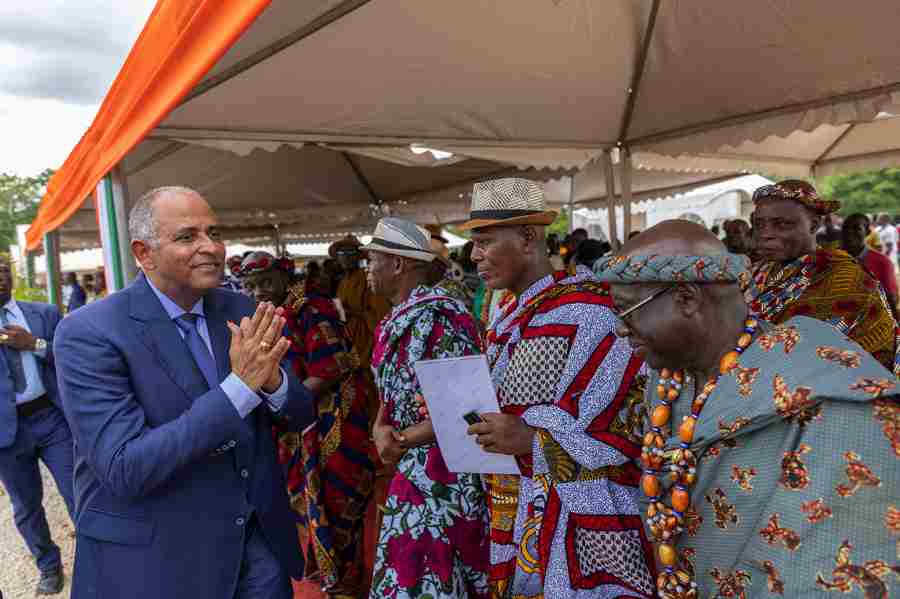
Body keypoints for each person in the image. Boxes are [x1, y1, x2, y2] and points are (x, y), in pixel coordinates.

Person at [594, 219, 900, 598]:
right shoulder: (669, 380)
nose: (620, 328)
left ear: (687, 299)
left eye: (627, 310)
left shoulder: (836, 402)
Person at [53, 186, 316, 599]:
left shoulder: (241, 310)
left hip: (256, 552)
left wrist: (273, 383)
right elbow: (125, 467)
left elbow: (301, 413)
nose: (210, 247)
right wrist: (239, 389)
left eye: (214, 232)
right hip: (159, 561)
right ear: (144, 253)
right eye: (187, 236)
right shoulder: (89, 332)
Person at [460, 179, 654, 599]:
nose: (474, 255)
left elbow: (627, 420)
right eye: (474, 243)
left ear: (529, 238)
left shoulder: (591, 311)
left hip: (579, 528)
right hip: (518, 508)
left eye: (485, 241)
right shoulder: (509, 315)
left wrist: (534, 440)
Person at [364, 217, 489, 599]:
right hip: (412, 467)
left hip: (442, 476)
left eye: (372, 261)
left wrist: (400, 439)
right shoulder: (398, 317)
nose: (368, 270)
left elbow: (468, 409)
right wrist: (380, 428)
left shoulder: (443, 318)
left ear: (397, 264)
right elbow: (390, 394)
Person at [238, 250, 374, 598]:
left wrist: (281, 402)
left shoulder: (312, 309)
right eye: (250, 286)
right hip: (296, 423)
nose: (258, 291)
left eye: (266, 282)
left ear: (285, 276)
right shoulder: (265, 316)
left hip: (333, 422)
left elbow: (329, 369)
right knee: (308, 502)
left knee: (338, 500)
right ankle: (331, 578)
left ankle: (347, 583)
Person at [747, 180, 899, 373]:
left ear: (814, 225)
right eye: (759, 224)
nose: (765, 234)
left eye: (782, 224)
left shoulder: (847, 280)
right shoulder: (756, 271)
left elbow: (813, 359)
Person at [0, 256, 73, 595]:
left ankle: (99, 556)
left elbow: (72, 357)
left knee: (78, 491)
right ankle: (48, 566)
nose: (0, 279)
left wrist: (34, 344)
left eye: (3, 272)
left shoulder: (44, 314)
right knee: (26, 507)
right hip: (6, 432)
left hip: (52, 418)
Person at [330, 236, 391, 374]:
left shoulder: (367, 277)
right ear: (337, 258)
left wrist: (352, 312)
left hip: (366, 336)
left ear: (358, 256)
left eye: (350, 252)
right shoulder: (343, 282)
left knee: (367, 375)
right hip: (348, 335)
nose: (346, 257)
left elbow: (380, 313)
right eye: (341, 253)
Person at [842, 213, 899, 317]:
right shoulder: (830, 258)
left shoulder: (883, 262)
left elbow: (892, 299)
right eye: (845, 228)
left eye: (856, 228)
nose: (849, 232)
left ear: (867, 232)